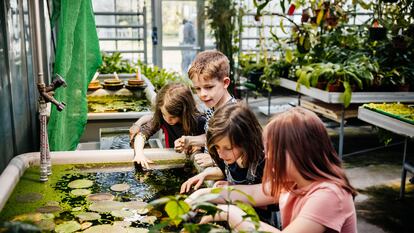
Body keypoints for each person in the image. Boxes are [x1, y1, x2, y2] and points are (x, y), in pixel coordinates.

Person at [187, 107, 357, 233]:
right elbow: (252, 193)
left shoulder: (329, 195)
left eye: (271, 149)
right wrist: (201, 195)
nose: (267, 156)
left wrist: (228, 213)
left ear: (296, 152)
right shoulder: (293, 182)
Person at [175, 50, 237, 167]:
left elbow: (241, 152)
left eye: (208, 87)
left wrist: (215, 161)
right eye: (197, 89)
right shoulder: (213, 108)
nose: (202, 94)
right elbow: (212, 138)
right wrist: (189, 140)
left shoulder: (234, 115)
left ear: (225, 83)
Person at [132, 83, 206, 169]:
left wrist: (197, 145)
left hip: (197, 164)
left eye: (172, 117)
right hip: (174, 162)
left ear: (184, 112)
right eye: (164, 114)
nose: (167, 120)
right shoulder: (162, 117)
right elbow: (141, 135)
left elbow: (212, 139)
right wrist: (139, 154)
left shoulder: (199, 121)